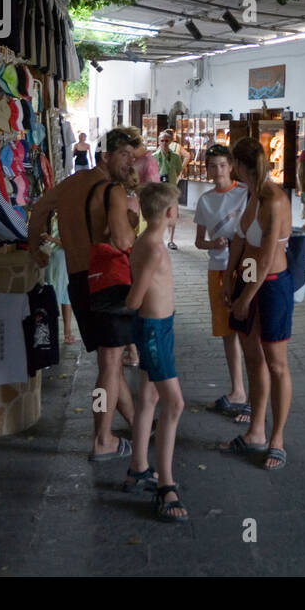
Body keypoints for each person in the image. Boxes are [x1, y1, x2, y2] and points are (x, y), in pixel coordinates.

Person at [28, 127, 141, 461]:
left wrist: (36, 250)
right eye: (124, 155)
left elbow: (37, 213)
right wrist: (133, 220)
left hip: (78, 280)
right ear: (105, 156)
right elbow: (123, 242)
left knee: (109, 361)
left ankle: (137, 423)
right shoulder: (113, 192)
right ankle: (102, 438)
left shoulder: (68, 185)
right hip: (106, 280)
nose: (129, 162)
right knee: (108, 364)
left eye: (132, 157)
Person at [218, 136, 295, 470]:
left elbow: (266, 258)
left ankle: (277, 438)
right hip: (246, 281)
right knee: (253, 359)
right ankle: (256, 430)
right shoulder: (248, 194)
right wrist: (227, 279)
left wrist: (245, 298)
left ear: (240, 165)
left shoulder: (274, 200)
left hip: (271, 285)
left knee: (276, 363)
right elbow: (239, 240)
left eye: (232, 162)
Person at [123, 182, 187, 521]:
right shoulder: (154, 248)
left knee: (148, 398)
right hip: (153, 330)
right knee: (174, 403)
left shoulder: (149, 241)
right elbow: (134, 299)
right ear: (168, 212)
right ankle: (166, 484)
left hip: (158, 327)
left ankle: (139, 466)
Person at [194, 144, 250, 422]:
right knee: (227, 331)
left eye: (222, 165)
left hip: (242, 268)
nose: (218, 171)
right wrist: (211, 244)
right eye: (212, 166)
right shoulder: (205, 201)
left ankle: (252, 394)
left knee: (248, 330)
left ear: (231, 166)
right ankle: (237, 389)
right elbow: (198, 240)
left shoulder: (245, 194)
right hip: (217, 268)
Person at [41, 217, 76, 344]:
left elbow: (70, 244)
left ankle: (65, 332)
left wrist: (50, 239)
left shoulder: (70, 220)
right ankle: (58, 332)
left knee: (62, 297)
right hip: (54, 260)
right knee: (57, 295)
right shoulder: (55, 218)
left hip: (62, 262)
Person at [154, 129, 185, 249]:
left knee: (172, 215)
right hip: (159, 191)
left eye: (167, 141)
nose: (164, 143)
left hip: (171, 189)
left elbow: (178, 171)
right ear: (159, 142)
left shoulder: (176, 157)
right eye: (162, 140)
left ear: (170, 142)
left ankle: (171, 240)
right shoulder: (154, 157)